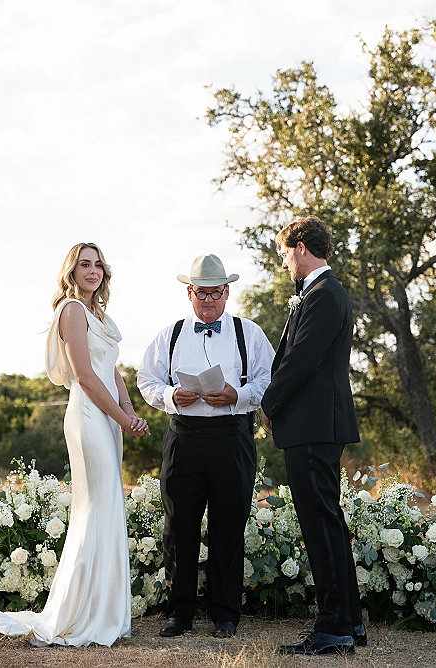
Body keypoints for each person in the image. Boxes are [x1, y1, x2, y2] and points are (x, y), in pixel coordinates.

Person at [0, 242, 149, 647]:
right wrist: (123, 418)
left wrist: (127, 406)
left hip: (109, 416)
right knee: (95, 506)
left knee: (108, 506)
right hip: (88, 416)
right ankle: (79, 613)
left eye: (98, 264)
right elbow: (85, 375)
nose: (93, 270)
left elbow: (111, 368)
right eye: (84, 264)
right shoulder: (71, 310)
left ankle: (103, 609)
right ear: (71, 270)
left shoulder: (98, 313)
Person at [138, 254, 274, 638]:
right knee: (179, 526)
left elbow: (269, 379)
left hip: (232, 438)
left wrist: (239, 395)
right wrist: (169, 395)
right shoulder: (172, 334)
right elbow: (145, 378)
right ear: (189, 293)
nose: (209, 299)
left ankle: (225, 613)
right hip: (184, 438)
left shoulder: (249, 333)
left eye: (216, 292)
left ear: (227, 292)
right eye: (202, 292)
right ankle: (179, 613)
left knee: (229, 526)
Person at [260, 217, 364, 657]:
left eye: (284, 253)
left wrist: (268, 404)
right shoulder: (323, 294)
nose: (284, 263)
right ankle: (349, 621)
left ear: (300, 247)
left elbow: (300, 360)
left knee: (320, 524)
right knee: (328, 522)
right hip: (316, 425)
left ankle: (332, 626)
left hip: (313, 425)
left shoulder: (323, 295)